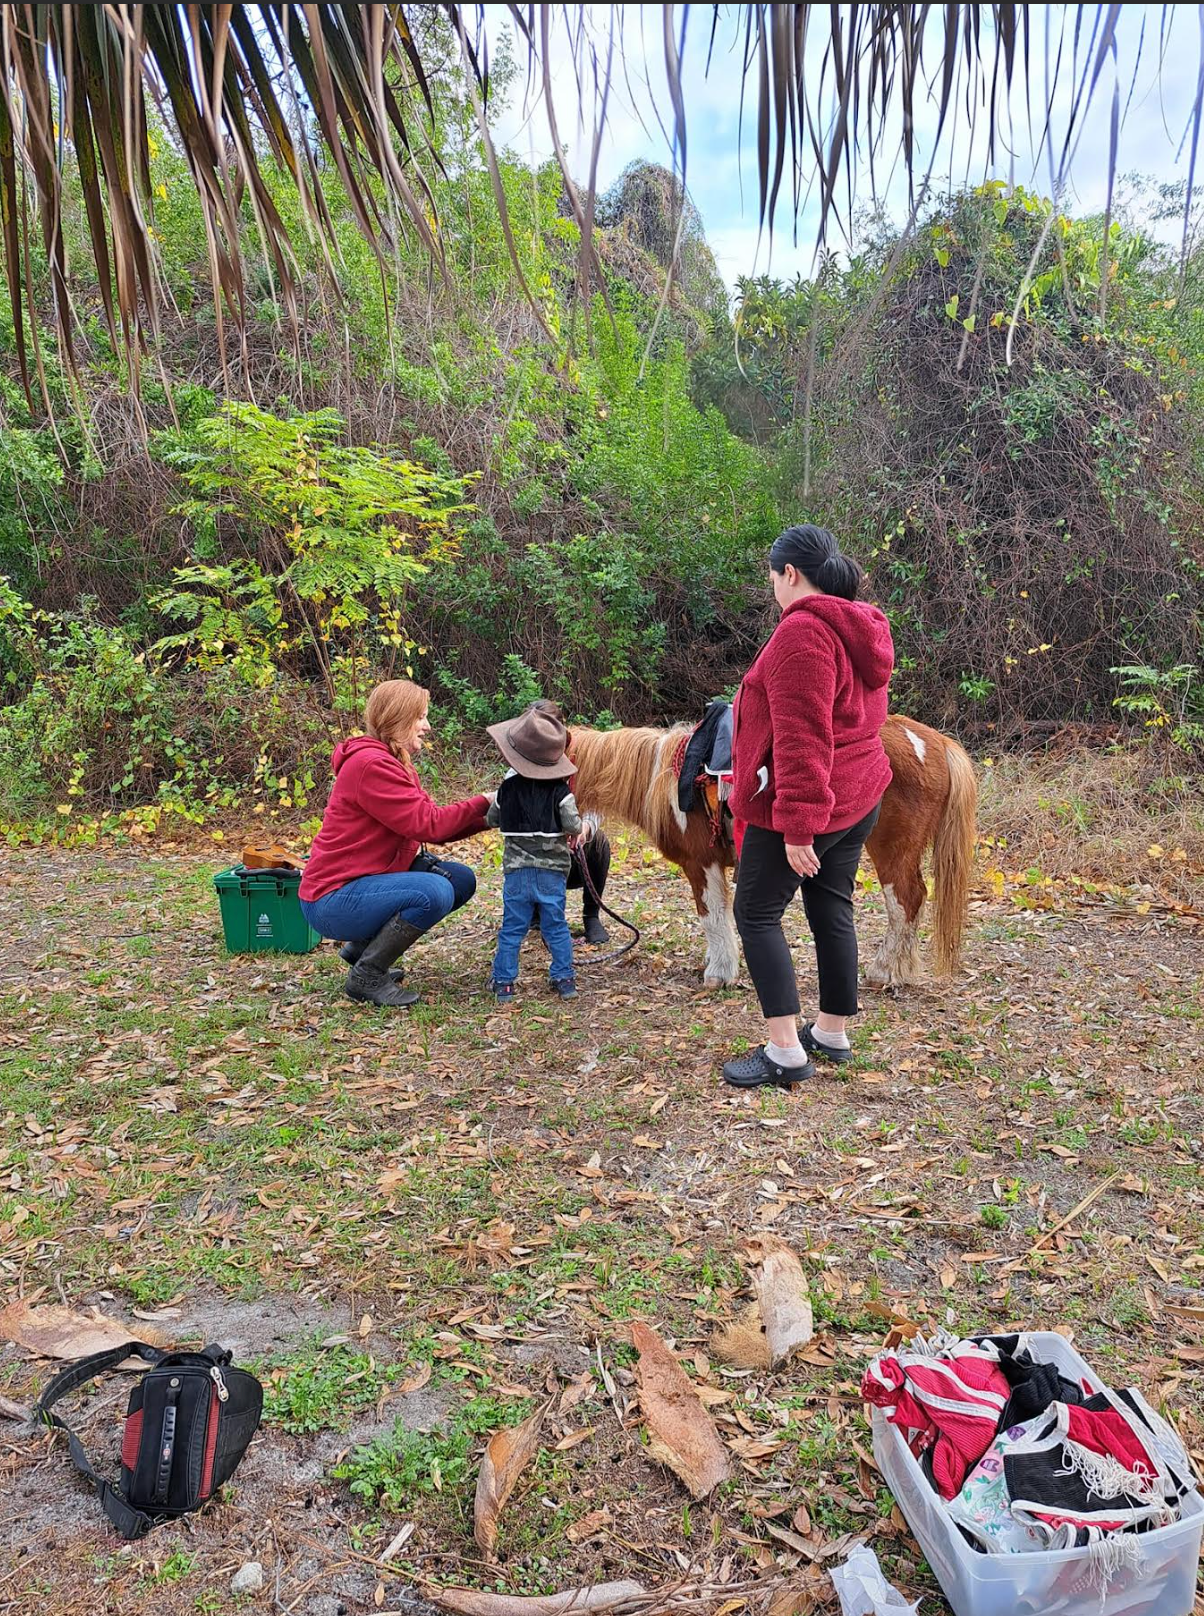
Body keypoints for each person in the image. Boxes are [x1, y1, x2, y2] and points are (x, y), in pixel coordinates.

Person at [721, 524, 894, 1087]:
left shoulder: (803, 636)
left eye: (772, 578)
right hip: (858, 792)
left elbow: (803, 738)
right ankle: (832, 1032)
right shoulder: (857, 626)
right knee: (831, 905)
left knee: (756, 913)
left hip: (811, 804)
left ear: (789, 574)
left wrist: (798, 826)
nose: (772, 587)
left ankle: (786, 1053)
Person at [298, 679, 491, 1008]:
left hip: (360, 883)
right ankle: (367, 975)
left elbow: (431, 821)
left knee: (459, 879)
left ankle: (362, 950)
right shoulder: (371, 766)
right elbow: (428, 824)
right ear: (400, 717)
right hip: (331, 899)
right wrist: (486, 801)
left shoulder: (392, 760)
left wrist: (490, 817)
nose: (427, 726)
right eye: (421, 717)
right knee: (434, 891)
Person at [485, 703, 583, 1003]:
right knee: (556, 925)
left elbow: (492, 819)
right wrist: (582, 829)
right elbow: (573, 825)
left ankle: (504, 983)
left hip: (517, 872)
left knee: (513, 927)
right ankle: (564, 978)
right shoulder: (561, 792)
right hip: (552, 873)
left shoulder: (507, 789)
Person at [525, 698, 611, 944]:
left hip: (574, 852)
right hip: (539, 853)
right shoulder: (519, 762)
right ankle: (537, 911)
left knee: (600, 843)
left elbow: (596, 804)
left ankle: (591, 915)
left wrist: (584, 828)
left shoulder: (579, 758)